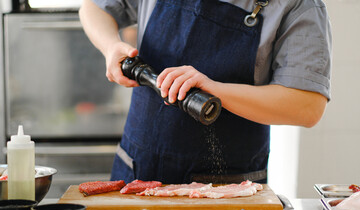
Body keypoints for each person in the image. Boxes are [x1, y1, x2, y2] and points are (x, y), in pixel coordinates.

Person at [79, 0, 332, 184]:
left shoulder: (300, 5)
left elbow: (307, 106)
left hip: (228, 189)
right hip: (137, 173)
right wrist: (111, 46)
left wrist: (216, 91)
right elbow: (94, 6)